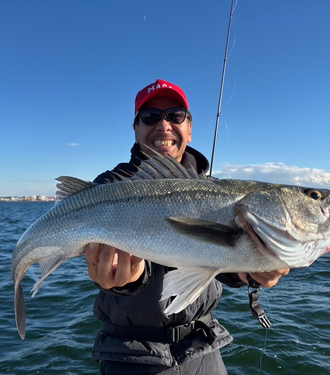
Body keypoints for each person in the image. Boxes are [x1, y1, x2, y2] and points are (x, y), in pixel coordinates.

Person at [84, 79, 290, 375]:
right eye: (151, 117)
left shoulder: (216, 190)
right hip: (129, 356)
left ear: (190, 128)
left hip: (204, 348)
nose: (164, 125)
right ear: (136, 129)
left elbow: (216, 258)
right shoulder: (110, 187)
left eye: (175, 115)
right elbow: (107, 259)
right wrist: (126, 280)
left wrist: (250, 270)